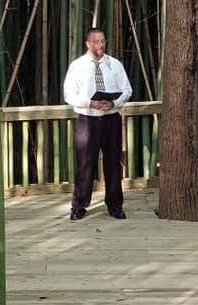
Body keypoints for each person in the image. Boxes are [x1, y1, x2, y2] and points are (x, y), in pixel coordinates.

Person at [63, 28, 133, 221]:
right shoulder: (77, 66)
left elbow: (127, 90)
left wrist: (114, 102)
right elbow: (69, 94)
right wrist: (89, 102)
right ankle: (79, 206)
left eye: (102, 41)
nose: (101, 45)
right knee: (86, 164)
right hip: (87, 119)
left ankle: (115, 205)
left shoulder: (114, 65)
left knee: (113, 162)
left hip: (111, 119)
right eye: (96, 41)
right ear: (88, 43)